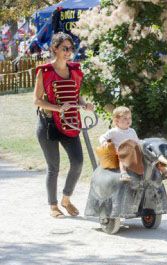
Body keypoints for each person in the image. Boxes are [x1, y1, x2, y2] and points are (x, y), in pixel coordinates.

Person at [33, 32, 94, 218]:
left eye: (71, 48)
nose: (68, 52)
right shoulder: (44, 71)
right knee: (54, 167)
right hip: (48, 124)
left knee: (77, 162)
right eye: (64, 48)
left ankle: (66, 199)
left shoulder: (75, 69)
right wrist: (57, 108)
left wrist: (84, 104)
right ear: (54, 49)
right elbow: (37, 100)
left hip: (71, 123)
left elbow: (76, 94)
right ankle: (53, 206)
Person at [99, 106, 139, 181]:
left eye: (130, 118)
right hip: (119, 151)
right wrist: (104, 142)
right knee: (123, 155)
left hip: (131, 151)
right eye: (125, 118)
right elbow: (102, 137)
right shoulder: (114, 131)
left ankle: (161, 169)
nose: (128, 120)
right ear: (116, 121)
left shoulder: (132, 131)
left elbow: (137, 141)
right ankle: (123, 173)